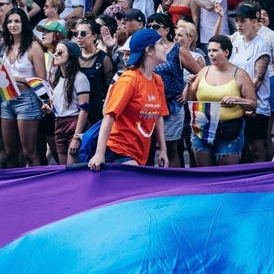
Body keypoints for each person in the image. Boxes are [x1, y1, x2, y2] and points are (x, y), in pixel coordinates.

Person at [89, 29, 169, 170]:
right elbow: (109, 116)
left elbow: (159, 117)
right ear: (148, 50)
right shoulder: (129, 80)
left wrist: (163, 149)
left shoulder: (158, 80)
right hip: (117, 151)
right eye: (161, 43)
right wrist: (99, 154)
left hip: (140, 152)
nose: (166, 46)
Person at [182, 33, 255, 167]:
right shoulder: (204, 71)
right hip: (202, 125)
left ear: (226, 52)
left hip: (229, 128)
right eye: (209, 50)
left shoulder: (240, 74)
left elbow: (253, 104)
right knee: (205, 174)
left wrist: (237, 99)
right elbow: (189, 101)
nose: (210, 54)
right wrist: (189, 85)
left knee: (226, 175)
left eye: (215, 50)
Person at [147, 12, 203, 167]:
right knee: (147, 147)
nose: (152, 28)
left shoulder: (177, 50)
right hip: (149, 104)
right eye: (149, 25)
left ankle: (174, 184)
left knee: (172, 148)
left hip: (172, 104)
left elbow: (200, 73)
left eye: (156, 26)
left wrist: (186, 90)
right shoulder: (147, 49)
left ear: (166, 30)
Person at [0, 6, 47, 168]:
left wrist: (15, 78)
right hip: (6, 99)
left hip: (27, 100)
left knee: (29, 152)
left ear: (24, 24)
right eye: (10, 21)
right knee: (10, 151)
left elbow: (42, 80)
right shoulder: (5, 46)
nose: (13, 25)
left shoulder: (33, 47)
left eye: (17, 21)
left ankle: (37, 186)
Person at [228, 3, 274, 161]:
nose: (239, 24)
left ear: (254, 22)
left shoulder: (262, 45)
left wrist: (241, 98)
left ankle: (264, 180)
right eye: (237, 21)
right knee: (242, 148)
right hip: (237, 104)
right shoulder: (235, 43)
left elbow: (258, 79)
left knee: (257, 148)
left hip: (257, 106)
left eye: (243, 20)